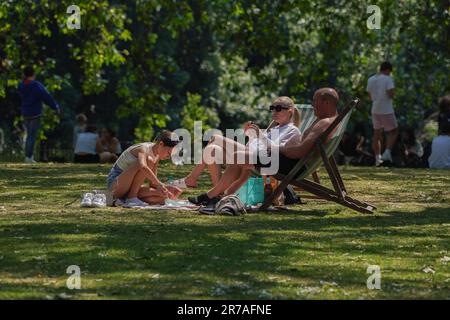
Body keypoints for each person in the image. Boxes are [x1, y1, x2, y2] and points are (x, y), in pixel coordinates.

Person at [189, 88, 338, 207]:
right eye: (273, 108)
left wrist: (278, 148)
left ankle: (215, 195)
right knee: (236, 155)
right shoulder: (325, 122)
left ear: (326, 102)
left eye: (315, 101)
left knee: (238, 156)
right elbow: (298, 147)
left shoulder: (323, 123)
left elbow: (299, 150)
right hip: (277, 157)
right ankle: (218, 194)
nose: (313, 105)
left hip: (283, 162)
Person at [171, 96, 301, 190]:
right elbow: (256, 145)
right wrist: (251, 135)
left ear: (289, 111)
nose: (274, 112)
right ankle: (218, 192)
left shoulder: (292, 131)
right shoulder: (274, 129)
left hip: (260, 162)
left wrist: (260, 135)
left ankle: (191, 179)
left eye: (278, 108)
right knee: (211, 150)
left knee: (216, 137)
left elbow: (277, 151)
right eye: (272, 108)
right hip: (248, 156)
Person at [106, 130, 182, 207]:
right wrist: (159, 184)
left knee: (162, 199)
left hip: (129, 188)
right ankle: (131, 197)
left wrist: (167, 189)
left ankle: (129, 198)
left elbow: (153, 183)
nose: (169, 157)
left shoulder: (156, 156)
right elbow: (143, 166)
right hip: (115, 184)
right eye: (169, 153)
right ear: (161, 144)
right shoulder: (143, 149)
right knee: (148, 160)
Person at [18, 66, 60, 163]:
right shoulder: (36, 85)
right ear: (33, 74)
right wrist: (55, 106)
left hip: (25, 113)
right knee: (32, 136)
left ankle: (28, 156)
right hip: (35, 113)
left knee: (28, 135)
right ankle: (28, 157)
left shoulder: (21, 85)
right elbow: (46, 96)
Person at [367, 61, 398, 166]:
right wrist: (393, 94)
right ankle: (387, 152)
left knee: (377, 134)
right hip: (386, 108)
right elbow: (390, 94)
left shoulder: (371, 79)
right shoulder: (387, 79)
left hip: (375, 108)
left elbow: (370, 96)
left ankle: (377, 158)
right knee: (393, 131)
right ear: (388, 70)